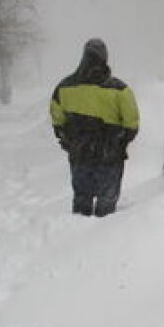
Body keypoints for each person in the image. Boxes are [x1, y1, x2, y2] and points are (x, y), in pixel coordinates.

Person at [50, 38, 139, 216]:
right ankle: (102, 239)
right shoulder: (120, 90)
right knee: (107, 204)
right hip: (110, 157)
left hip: (80, 155)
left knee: (82, 199)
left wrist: (70, 141)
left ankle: (80, 236)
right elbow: (132, 124)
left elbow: (57, 121)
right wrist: (118, 141)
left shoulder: (64, 87)